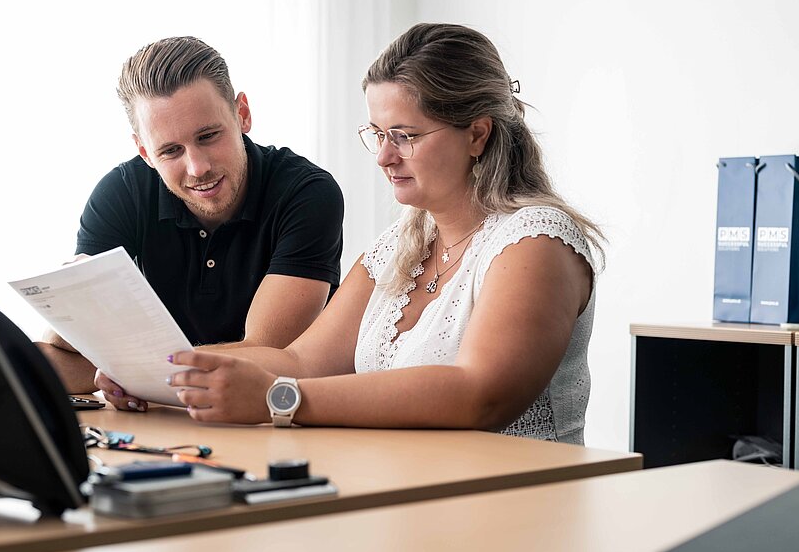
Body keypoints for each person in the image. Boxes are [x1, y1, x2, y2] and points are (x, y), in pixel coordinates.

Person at [165, 23, 605, 443]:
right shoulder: (400, 244)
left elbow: (479, 394)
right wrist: (157, 373)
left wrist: (278, 399)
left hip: (521, 491)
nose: (384, 157)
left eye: (404, 136)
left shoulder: (536, 240)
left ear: (477, 135)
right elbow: (300, 361)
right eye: (378, 134)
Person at [38, 36, 344, 412]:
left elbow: (269, 352)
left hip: (278, 417)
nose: (198, 168)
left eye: (208, 136)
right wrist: (75, 308)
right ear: (145, 152)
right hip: (168, 420)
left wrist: (131, 368)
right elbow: (56, 353)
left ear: (242, 114)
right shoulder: (122, 192)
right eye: (171, 151)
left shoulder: (308, 193)